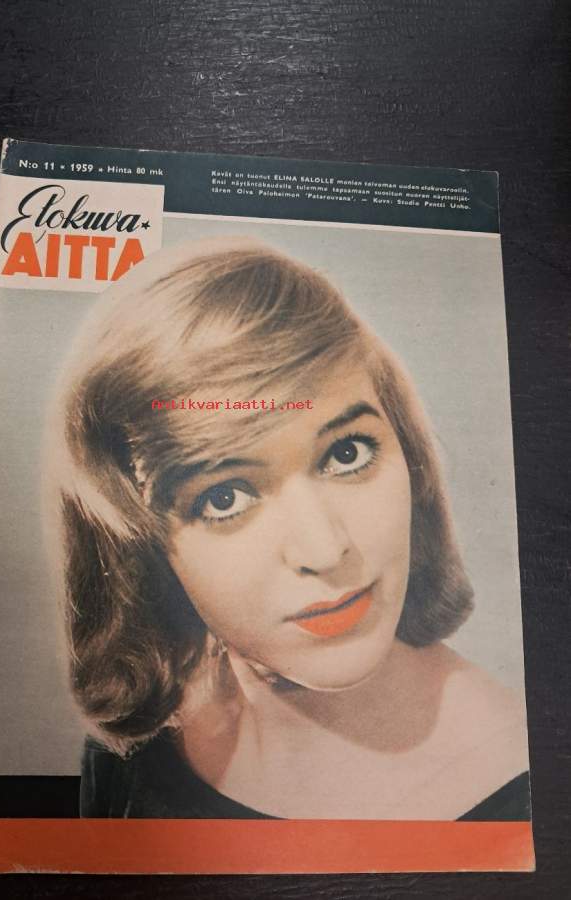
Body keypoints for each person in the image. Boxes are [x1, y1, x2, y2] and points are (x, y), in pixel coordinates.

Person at [49, 236, 530, 820]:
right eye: (225, 496)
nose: (325, 549)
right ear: (139, 546)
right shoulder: (133, 750)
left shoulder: (520, 784)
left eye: (347, 453)